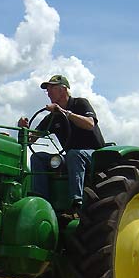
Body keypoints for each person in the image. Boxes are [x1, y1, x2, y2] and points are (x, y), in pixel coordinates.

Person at [18, 74, 105, 211]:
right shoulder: (53, 117)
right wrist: (23, 128)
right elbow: (31, 139)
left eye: (51, 88)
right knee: (38, 157)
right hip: (71, 156)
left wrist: (65, 113)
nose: (48, 93)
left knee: (74, 154)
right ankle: (42, 200)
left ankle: (76, 201)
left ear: (63, 89)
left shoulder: (80, 103)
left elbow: (90, 124)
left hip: (93, 155)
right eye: (47, 90)